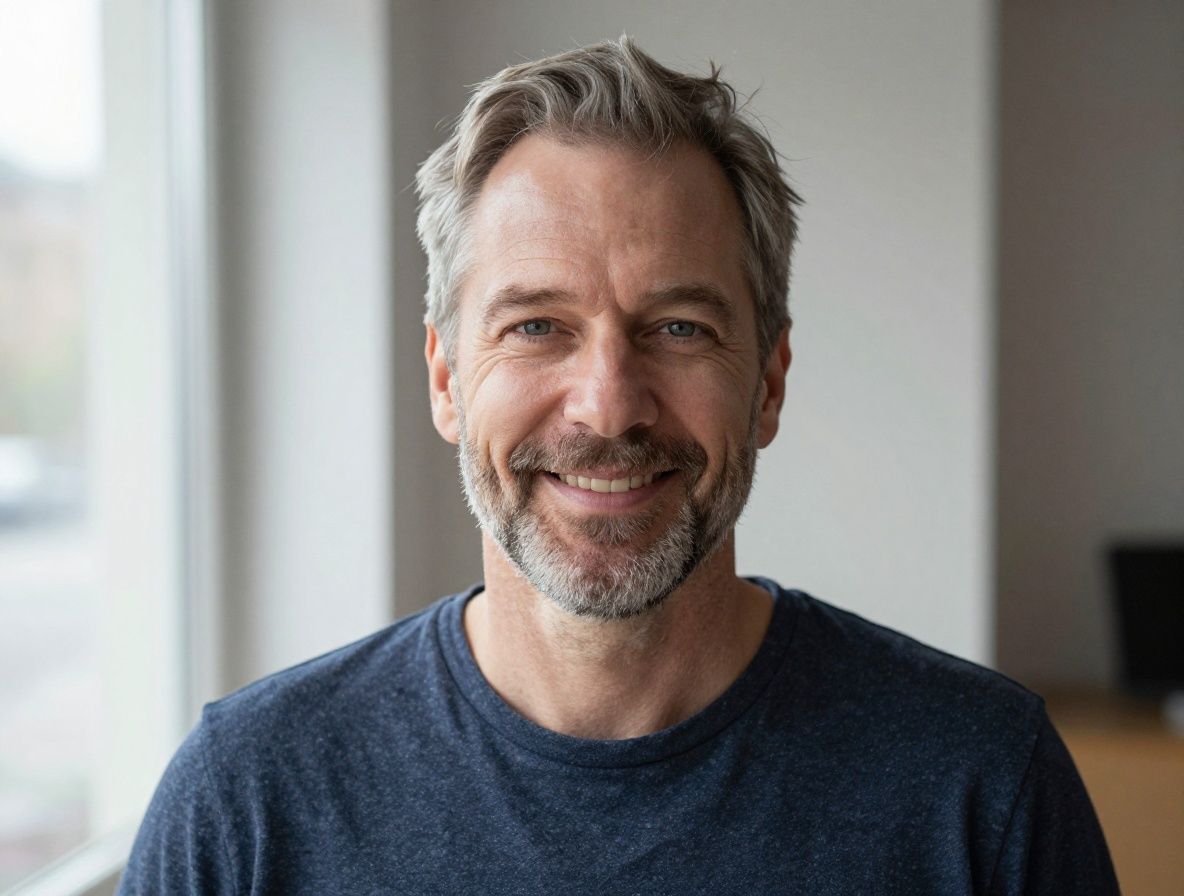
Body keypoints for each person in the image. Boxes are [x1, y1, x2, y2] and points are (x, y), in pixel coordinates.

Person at [118, 37, 1118, 894]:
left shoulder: (980, 787)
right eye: (537, 324)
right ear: (446, 378)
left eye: (678, 327)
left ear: (766, 382)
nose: (606, 403)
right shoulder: (247, 805)